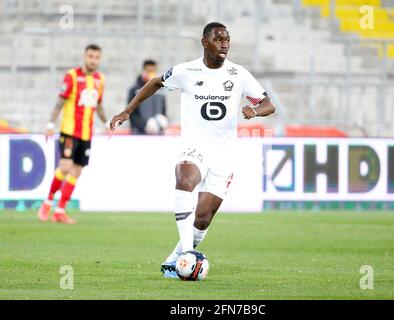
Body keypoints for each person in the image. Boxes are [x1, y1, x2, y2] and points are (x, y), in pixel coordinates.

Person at [110, 22, 275, 277]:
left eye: (227, 39)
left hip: (224, 154)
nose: (224, 43)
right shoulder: (186, 70)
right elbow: (154, 83)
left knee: (203, 219)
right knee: (185, 178)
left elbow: (268, 104)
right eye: (219, 39)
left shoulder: (238, 74)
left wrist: (254, 110)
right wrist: (127, 111)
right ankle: (187, 253)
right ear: (205, 42)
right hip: (195, 146)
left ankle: (175, 260)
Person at [37, 44, 109, 224]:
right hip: (69, 131)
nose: (93, 60)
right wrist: (50, 124)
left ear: (99, 59)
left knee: (77, 171)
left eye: (96, 57)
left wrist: (107, 122)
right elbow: (59, 102)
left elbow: (98, 105)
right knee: (65, 167)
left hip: (87, 134)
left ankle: (60, 210)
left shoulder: (100, 79)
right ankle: (47, 202)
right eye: (90, 56)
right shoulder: (72, 76)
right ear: (84, 57)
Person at [128, 60, 168, 135]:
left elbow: (163, 110)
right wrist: (144, 125)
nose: (151, 74)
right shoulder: (134, 90)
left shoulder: (161, 90)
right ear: (143, 71)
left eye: (153, 71)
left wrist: (162, 122)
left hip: (158, 132)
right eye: (148, 71)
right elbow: (130, 113)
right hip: (139, 132)